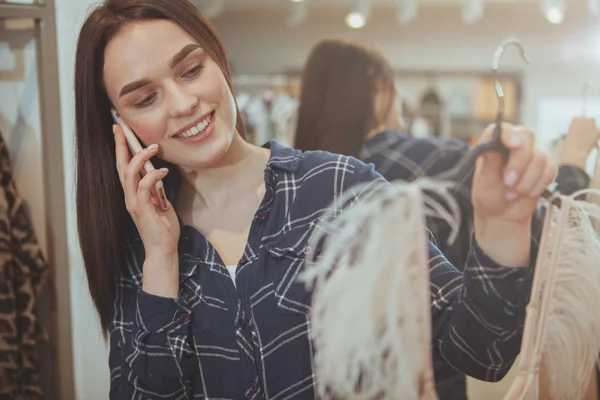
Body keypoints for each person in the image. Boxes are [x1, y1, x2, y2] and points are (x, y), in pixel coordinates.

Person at [74, 1, 557, 398]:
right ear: (119, 127)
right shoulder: (138, 246)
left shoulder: (339, 189)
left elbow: (480, 351)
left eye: (191, 70)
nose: (183, 105)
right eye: (145, 100)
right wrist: (161, 258)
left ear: (218, 61)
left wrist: (502, 224)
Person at [293, 38, 597, 400]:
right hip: (436, 376)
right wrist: (575, 158)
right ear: (376, 90)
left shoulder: (299, 186)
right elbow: (548, 230)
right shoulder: (426, 159)